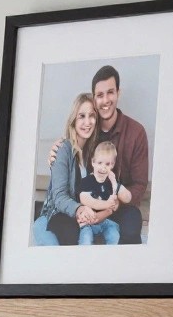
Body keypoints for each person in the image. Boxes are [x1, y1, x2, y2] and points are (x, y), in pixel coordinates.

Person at [46, 65, 149, 245]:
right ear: (94, 98)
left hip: (121, 204)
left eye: (110, 92)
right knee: (75, 233)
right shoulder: (90, 130)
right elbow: (72, 146)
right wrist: (56, 149)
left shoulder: (136, 132)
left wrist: (117, 202)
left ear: (118, 93)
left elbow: (140, 184)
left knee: (132, 228)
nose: (105, 100)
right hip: (90, 201)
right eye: (100, 95)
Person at [32, 93, 103, 246]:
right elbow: (59, 196)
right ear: (73, 120)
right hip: (57, 216)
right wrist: (79, 209)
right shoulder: (63, 148)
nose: (87, 122)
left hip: (80, 219)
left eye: (92, 116)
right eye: (81, 116)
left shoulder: (93, 154)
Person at [77, 141, 131, 245]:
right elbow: (86, 200)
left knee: (114, 234)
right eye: (99, 163)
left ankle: (110, 258)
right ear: (93, 162)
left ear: (112, 165)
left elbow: (127, 198)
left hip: (105, 221)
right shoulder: (87, 181)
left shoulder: (111, 182)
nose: (103, 167)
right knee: (86, 238)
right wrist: (107, 204)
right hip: (88, 221)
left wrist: (117, 189)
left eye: (107, 164)